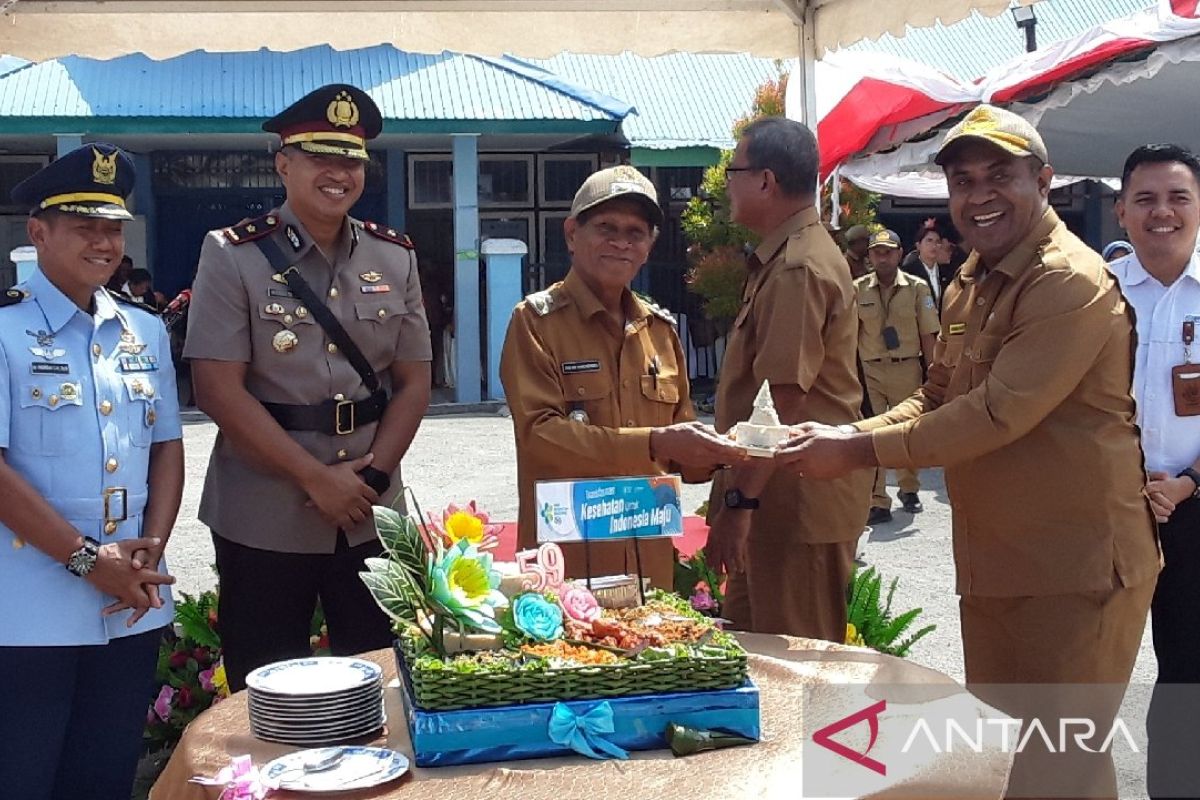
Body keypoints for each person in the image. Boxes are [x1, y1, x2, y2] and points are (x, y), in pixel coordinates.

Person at [775, 105, 1160, 798]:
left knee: (1055, 768)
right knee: (1018, 764)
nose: (977, 195)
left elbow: (994, 415)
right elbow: (937, 397)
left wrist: (855, 455)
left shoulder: (1067, 279)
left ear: (1043, 181)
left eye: (998, 175)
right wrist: (841, 435)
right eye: (961, 180)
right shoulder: (973, 280)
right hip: (999, 565)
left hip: (1075, 572)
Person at [185, 84, 432, 691]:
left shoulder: (393, 255)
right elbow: (217, 388)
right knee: (263, 684)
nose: (337, 173)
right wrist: (315, 479)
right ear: (283, 162)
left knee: (382, 677)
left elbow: (414, 379)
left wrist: (371, 479)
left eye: (350, 159)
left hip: (371, 508)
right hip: (266, 508)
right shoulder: (233, 254)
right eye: (320, 156)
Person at [0, 143, 182, 800]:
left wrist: (151, 547)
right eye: (85, 227)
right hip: (27, 609)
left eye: (113, 228)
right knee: (23, 776)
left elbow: (166, 446)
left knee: (105, 777)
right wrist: (86, 560)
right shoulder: (5, 329)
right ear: (39, 232)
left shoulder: (143, 330)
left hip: (129, 603)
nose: (104, 243)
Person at [500, 165, 746, 587]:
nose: (621, 242)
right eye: (606, 227)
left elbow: (681, 450)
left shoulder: (661, 332)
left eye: (636, 232)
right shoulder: (535, 322)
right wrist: (653, 442)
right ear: (572, 234)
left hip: (648, 566)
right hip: (566, 569)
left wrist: (732, 452)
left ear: (649, 246)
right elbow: (540, 434)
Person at [704, 117, 870, 642]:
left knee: (799, 677)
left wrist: (739, 502)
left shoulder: (797, 266)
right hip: (775, 499)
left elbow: (782, 400)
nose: (727, 182)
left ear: (766, 181)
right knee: (757, 662)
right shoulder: (784, 258)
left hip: (792, 505)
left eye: (733, 169)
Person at [1105, 144, 1200, 799]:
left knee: (1188, 670)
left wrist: (1188, 483)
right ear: (1120, 210)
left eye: (1177, 198)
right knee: (1083, 670)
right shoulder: (1094, 295)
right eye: (1145, 198)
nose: (1161, 212)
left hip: (1192, 508)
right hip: (1105, 508)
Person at [854, 229, 939, 523]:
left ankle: (909, 488)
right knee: (873, 434)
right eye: (877, 252)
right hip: (871, 370)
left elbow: (929, 333)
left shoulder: (917, 288)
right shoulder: (857, 289)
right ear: (870, 256)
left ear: (900, 254)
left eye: (888, 251)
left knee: (905, 431)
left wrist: (934, 374)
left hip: (907, 368)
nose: (883, 257)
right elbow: (850, 335)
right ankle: (878, 500)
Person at [901, 221, 953, 311]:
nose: (934, 245)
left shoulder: (946, 272)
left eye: (937, 242)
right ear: (918, 245)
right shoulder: (908, 272)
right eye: (929, 241)